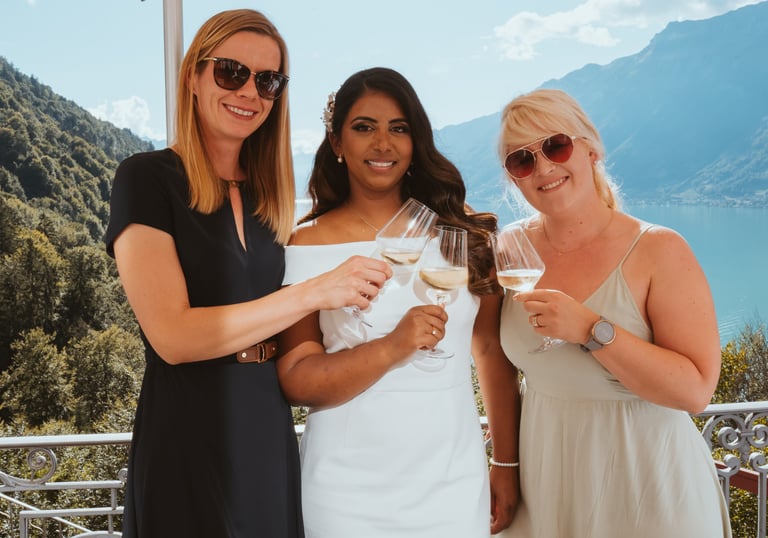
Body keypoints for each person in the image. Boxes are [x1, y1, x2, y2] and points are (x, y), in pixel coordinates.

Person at [104, 10, 391, 538]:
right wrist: (315, 292)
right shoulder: (145, 179)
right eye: (231, 71)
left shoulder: (270, 199)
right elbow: (172, 337)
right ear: (193, 76)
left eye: (268, 81)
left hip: (266, 422)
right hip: (186, 428)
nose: (249, 92)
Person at [277, 67, 520, 537]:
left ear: (416, 141)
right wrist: (393, 346)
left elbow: (490, 350)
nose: (383, 143)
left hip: (453, 477)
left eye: (399, 128)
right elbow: (296, 380)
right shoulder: (306, 244)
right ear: (337, 142)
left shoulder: (462, 232)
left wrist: (506, 462)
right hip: (345, 488)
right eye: (364, 127)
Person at [493, 88, 732, 537]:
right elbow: (493, 360)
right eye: (521, 160)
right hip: (546, 481)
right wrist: (503, 464)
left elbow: (696, 390)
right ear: (513, 179)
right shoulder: (511, 248)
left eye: (556, 146)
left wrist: (590, 328)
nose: (543, 168)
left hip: (647, 484)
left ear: (592, 150)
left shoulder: (660, 249)